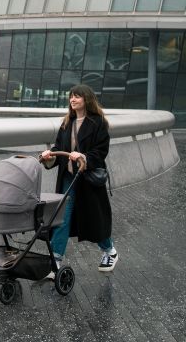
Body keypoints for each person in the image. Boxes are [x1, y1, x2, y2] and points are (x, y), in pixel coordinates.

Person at [40, 84, 118, 276]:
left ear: (87, 99)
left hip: (88, 180)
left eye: (77, 97)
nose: (72, 100)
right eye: (71, 97)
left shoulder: (98, 122)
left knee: (93, 219)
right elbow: (59, 148)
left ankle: (110, 251)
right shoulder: (67, 123)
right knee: (62, 217)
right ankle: (55, 260)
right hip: (69, 178)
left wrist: (84, 157)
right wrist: (50, 158)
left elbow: (101, 151)